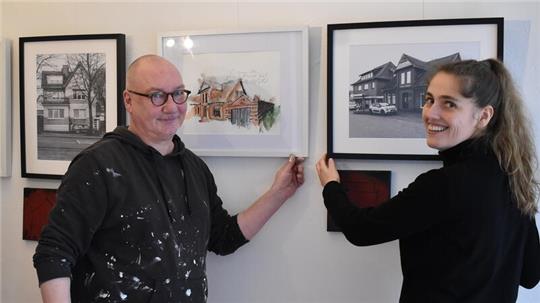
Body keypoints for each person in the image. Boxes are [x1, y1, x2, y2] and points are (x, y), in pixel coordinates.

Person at [33, 54, 304, 303]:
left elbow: (223, 238)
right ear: (128, 100)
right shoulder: (98, 165)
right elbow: (54, 252)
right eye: (157, 96)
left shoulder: (195, 169)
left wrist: (278, 193)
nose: (172, 106)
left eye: (178, 94)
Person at [316, 59, 540, 302]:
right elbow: (530, 274)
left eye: (449, 104)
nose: (430, 113)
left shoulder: (443, 185)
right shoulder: (512, 176)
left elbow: (361, 230)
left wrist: (331, 186)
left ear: (483, 116)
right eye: (429, 99)